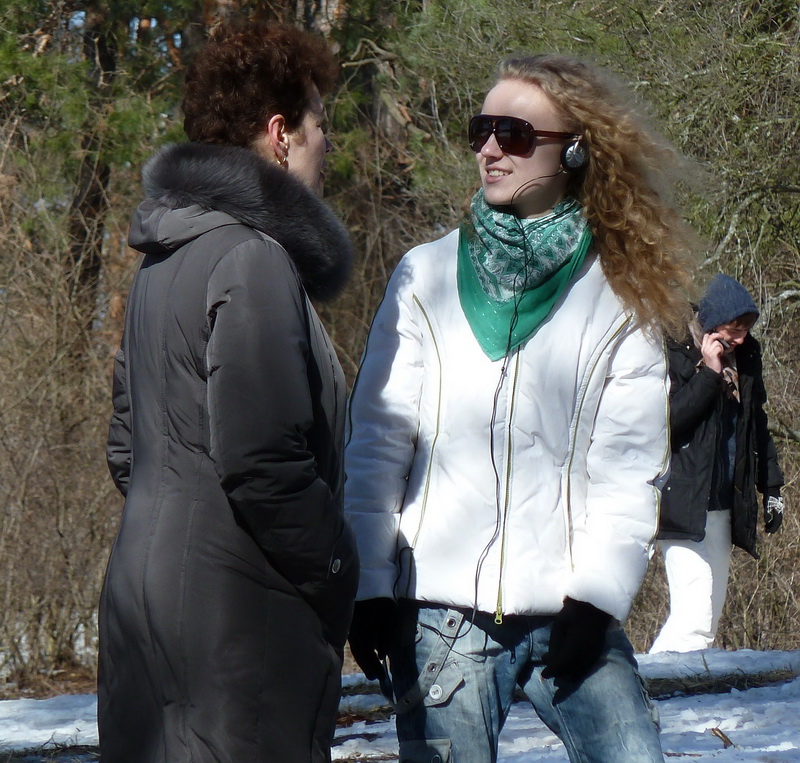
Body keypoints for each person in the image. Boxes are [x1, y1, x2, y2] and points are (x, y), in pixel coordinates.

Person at [345, 53, 698, 763]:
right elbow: (379, 440)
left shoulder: (621, 290)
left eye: (513, 133)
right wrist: (369, 584)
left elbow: (628, 465)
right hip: (440, 622)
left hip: (572, 613)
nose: (489, 149)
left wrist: (597, 598)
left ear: (573, 151)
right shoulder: (424, 274)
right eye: (481, 130)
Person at [99, 20, 358, 763]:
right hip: (237, 629)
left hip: (141, 607)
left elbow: (127, 449)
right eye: (318, 125)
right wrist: (337, 565)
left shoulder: (161, 263)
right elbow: (262, 459)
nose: (328, 143)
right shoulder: (251, 257)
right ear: (279, 135)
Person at [649, 273, 785, 654]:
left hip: (725, 505)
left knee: (706, 621)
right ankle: (650, 682)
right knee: (694, 617)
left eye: (746, 329)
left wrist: (772, 488)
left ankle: (659, 683)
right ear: (712, 323)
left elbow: (756, 426)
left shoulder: (746, 360)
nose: (741, 338)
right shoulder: (675, 350)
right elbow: (666, 424)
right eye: (734, 328)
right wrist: (709, 372)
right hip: (683, 502)